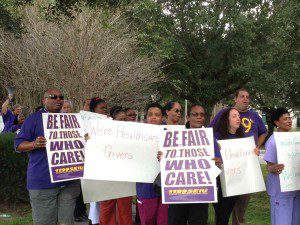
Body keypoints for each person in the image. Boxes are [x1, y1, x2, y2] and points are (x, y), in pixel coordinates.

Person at [14, 88, 80, 225]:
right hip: (43, 183)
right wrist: (34, 144)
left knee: (67, 222)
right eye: (53, 97)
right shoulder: (34, 119)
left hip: (68, 182)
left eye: (61, 97)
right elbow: (18, 145)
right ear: (44, 100)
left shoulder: (70, 120)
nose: (58, 100)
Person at [210, 88, 267, 225]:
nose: (245, 99)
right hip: (222, 176)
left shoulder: (253, 117)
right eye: (242, 96)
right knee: (222, 213)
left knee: (240, 209)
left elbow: (263, 132)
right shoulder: (223, 115)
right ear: (235, 98)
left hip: (243, 173)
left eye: (247, 96)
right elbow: (209, 133)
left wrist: (256, 148)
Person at [164, 104, 209, 225]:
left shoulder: (210, 137)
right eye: (195, 114)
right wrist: (162, 156)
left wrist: (217, 161)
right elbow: (168, 158)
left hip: (201, 193)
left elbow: (218, 162)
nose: (199, 117)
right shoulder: (176, 135)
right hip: (179, 193)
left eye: (202, 114)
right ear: (188, 117)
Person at [212, 108, 254, 225]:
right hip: (219, 183)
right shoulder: (215, 137)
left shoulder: (242, 137)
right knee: (222, 217)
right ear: (227, 119)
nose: (238, 118)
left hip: (236, 183)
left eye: (239, 116)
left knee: (228, 214)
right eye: (234, 116)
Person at [264, 108, 300, 225]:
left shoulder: (296, 140)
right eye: (285, 119)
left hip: (296, 190)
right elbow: (268, 167)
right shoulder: (273, 141)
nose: (289, 121)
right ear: (276, 122)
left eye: (289, 118)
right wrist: (272, 168)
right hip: (280, 193)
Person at [100, 106, 132, 225]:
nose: (123, 122)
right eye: (120, 120)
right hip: (108, 177)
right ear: (113, 121)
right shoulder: (103, 135)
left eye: (125, 120)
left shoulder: (133, 136)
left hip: (125, 178)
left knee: (125, 210)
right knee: (107, 208)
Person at [137, 103, 168, 225]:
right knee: (148, 220)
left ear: (162, 118)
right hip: (145, 187)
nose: (153, 117)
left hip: (166, 187)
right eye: (150, 115)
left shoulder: (171, 133)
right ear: (145, 118)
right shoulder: (136, 134)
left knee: (163, 221)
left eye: (157, 115)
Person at [88, 97, 108, 225]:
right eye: (102, 108)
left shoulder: (109, 123)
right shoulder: (87, 123)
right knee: (94, 199)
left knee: (104, 197)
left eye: (106, 108)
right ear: (94, 109)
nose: (104, 111)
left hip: (105, 165)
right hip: (93, 165)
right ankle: (94, 221)